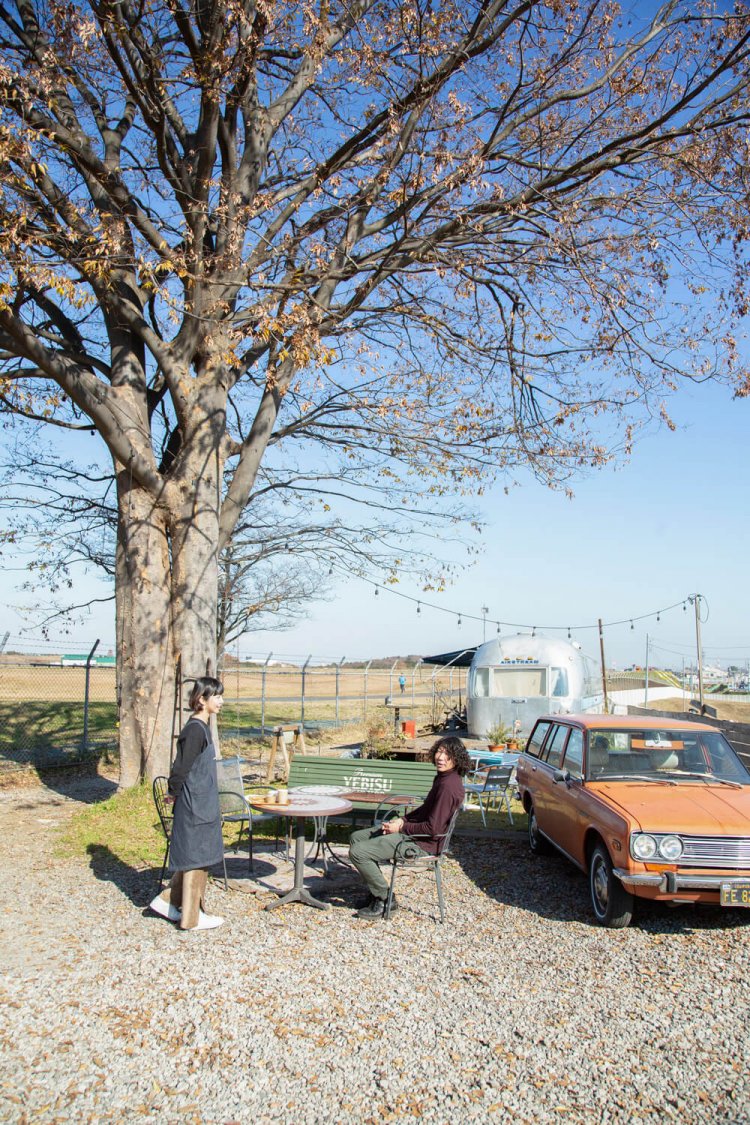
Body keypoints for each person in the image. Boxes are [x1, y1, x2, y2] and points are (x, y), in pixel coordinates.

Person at [348, 735, 469, 919]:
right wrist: (402, 820)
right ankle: (375, 892)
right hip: (415, 834)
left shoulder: (448, 787)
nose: (440, 757)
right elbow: (425, 810)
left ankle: (386, 898)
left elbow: (433, 829)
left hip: (422, 844)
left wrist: (401, 829)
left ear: (457, 758)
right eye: (439, 751)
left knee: (358, 852)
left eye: (447, 754)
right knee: (357, 837)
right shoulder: (443, 779)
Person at [149, 676, 226, 931]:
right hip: (195, 803)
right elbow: (180, 766)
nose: (221, 701)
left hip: (201, 800)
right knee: (196, 856)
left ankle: (165, 901)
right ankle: (191, 918)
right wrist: (173, 792)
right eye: (216, 696)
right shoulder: (195, 729)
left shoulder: (202, 727)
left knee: (199, 854)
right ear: (202, 699)